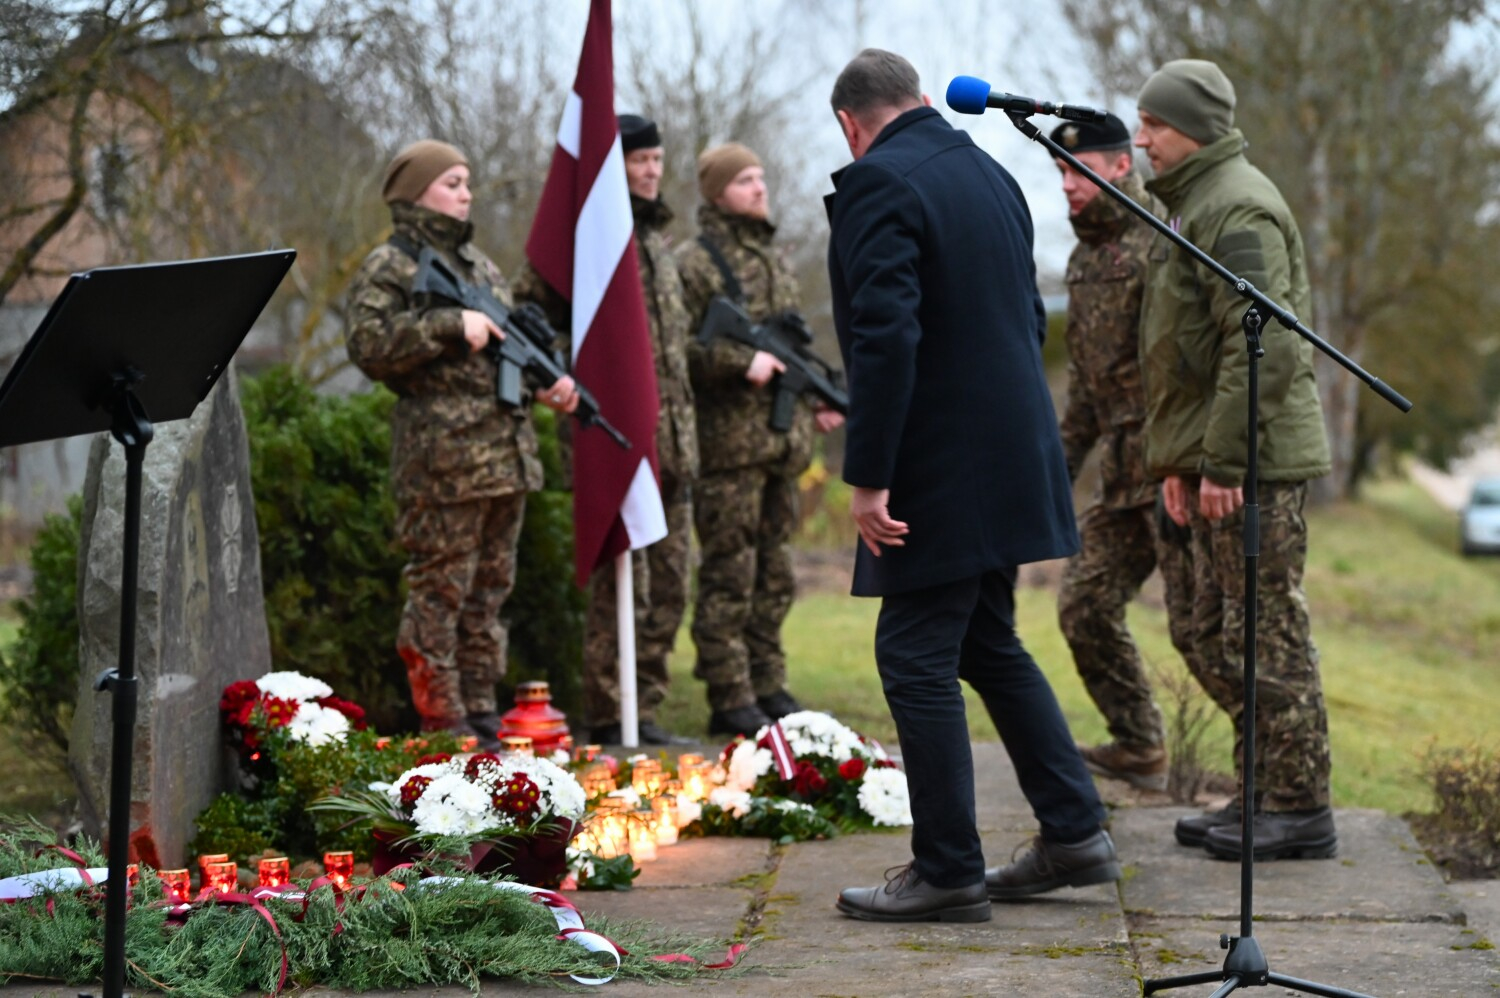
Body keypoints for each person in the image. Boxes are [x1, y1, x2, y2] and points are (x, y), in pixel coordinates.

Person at [824, 49, 1119, 923]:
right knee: (987, 642)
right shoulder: (991, 174)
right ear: (919, 99)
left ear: (849, 122)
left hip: (939, 464)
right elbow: (1028, 317)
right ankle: (1074, 833)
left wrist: (870, 477)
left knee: (913, 657)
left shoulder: (880, 182)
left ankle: (948, 867)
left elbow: (886, 338)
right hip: (1006, 453)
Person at [1133, 60, 1337, 859]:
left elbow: (1264, 352)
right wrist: (1180, 463)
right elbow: (1183, 358)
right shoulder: (1193, 206)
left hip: (1257, 466)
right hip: (1213, 461)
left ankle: (1297, 805)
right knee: (1215, 635)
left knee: (1266, 634)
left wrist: (1224, 465)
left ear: (1194, 129)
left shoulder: (1238, 207)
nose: (1141, 137)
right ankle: (1259, 790)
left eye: (1153, 124)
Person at [345, 139, 579, 749]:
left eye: (466, 181)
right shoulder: (390, 265)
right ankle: (442, 719)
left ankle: (479, 708)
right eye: (452, 182)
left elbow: (501, 355)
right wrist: (451, 324)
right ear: (414, 191)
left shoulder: (480, 266)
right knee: (440, 590)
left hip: (503, 458)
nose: (466, 193)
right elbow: (368, 346)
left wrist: (545, 385)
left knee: (488, 595)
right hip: (442, 462)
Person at [514, 114, 698, 746]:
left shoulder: (658, 246)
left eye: (657, 160)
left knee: (669, 587)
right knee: (623, 585)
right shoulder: (588, 239)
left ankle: (645, 707)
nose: (651, 171)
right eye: (639, 160)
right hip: (617, 438)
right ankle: (608, 711)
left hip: (674, 443)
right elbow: (532, 319)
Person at [1049, 114, 1205, 793]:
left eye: (1077, 170)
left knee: (1199, 628)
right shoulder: (1083, 261)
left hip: (1172, 466)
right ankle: (1139, 743)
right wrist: (1055, 468)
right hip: (1118, 475)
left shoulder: (1163, 241)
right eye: (1058, 171)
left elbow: (1189, 364)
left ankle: (1272, 785)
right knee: (1083, 606)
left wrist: (1194, 465)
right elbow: (1085, 384)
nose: (1066, 185)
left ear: (1119, 166)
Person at [677, 142, 843, 737]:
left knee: (775, 573)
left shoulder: (773, 256)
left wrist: (816, 393)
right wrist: (736, 361)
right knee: (729, 571)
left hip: (779, 447)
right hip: (728, 451)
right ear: (717, 191)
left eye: (760, 176)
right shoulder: (693, 263)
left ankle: (768, 682)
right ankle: (729, 691)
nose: (759, 187)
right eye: (745, 179)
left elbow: (789, 348)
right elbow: (678, 355)